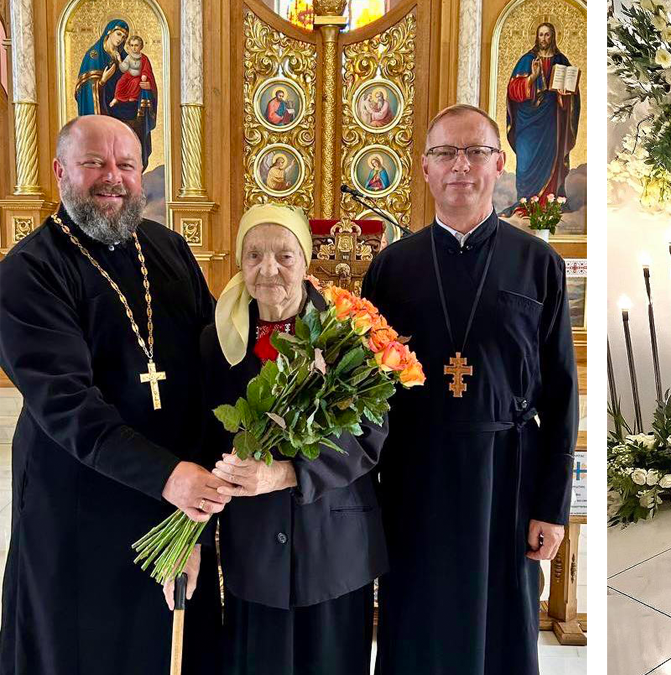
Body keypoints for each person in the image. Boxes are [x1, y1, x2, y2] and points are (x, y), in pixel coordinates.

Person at [0, 114, 225, 674]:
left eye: (126, 164)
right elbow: (65, 404)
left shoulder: (169, 250)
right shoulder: (29, 271)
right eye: (94, 163)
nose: (113, 178)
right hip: (79, 505)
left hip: (172, 503)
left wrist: (198, 516)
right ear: (60, 171)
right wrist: (170, 477)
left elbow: (210, 371)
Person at [365, 104, 578, 675]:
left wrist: (552, 507)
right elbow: (366, 398)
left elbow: (562, 394)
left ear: (499, 164)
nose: (460, 165)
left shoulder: (539, 264)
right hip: (415, 480)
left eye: (475, 152)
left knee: (501, 628)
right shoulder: (390, 269)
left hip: (506, 478)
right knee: (418, 621)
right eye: (445, 153)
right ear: (425, 168)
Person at [200, 203, 388, 674]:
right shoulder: (216, 341)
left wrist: (288, 473)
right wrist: (194, 537)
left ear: (305, 261)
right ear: (240, 263)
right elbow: (200, 440)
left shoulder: (347, 332)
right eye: (254, 255)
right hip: (254, 550)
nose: (268, 269)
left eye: (284, 255)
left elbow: (370, 435)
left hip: (333, 546)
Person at [505, 22, 579, 209]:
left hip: (551, 121)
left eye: (547, 35)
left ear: (553, 36)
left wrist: (565, 95)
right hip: (527, 122)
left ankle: (549, 203)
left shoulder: (561, 61)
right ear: (536, 36)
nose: (544, 38)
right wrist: (532, 76)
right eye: (541, 35)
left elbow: (573, 95)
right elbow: (513, 91)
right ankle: (526, 203)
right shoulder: (527, 60)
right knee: (525, 163)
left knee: (552, 159)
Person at [109, 35, 155, 111]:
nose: (134, 48)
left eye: (136, 45)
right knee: (120, 82)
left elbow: (146, 68)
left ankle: (132, 97)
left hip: (138, 77)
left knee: (135, 82)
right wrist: (120, 60)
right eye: (132, 45)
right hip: (128, 75)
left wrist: (144, 75)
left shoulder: (144, 58)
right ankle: (117, 98)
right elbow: (124, 68)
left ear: (141, 46)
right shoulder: (129, 57)